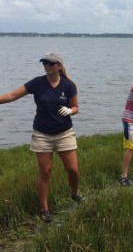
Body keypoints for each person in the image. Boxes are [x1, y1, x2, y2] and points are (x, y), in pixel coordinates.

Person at [0, 52, 82, 223]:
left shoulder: (68, 85)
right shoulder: (37, 83)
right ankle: (44, 209)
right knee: (45, 172)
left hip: (64, 132)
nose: (47, 66)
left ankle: (75, 193)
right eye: (44, 63)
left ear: (59, 66)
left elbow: (75, 107)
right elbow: (12, 95)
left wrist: (70, 111)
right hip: (42, 134)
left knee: (73, 170)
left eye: (51, 63)